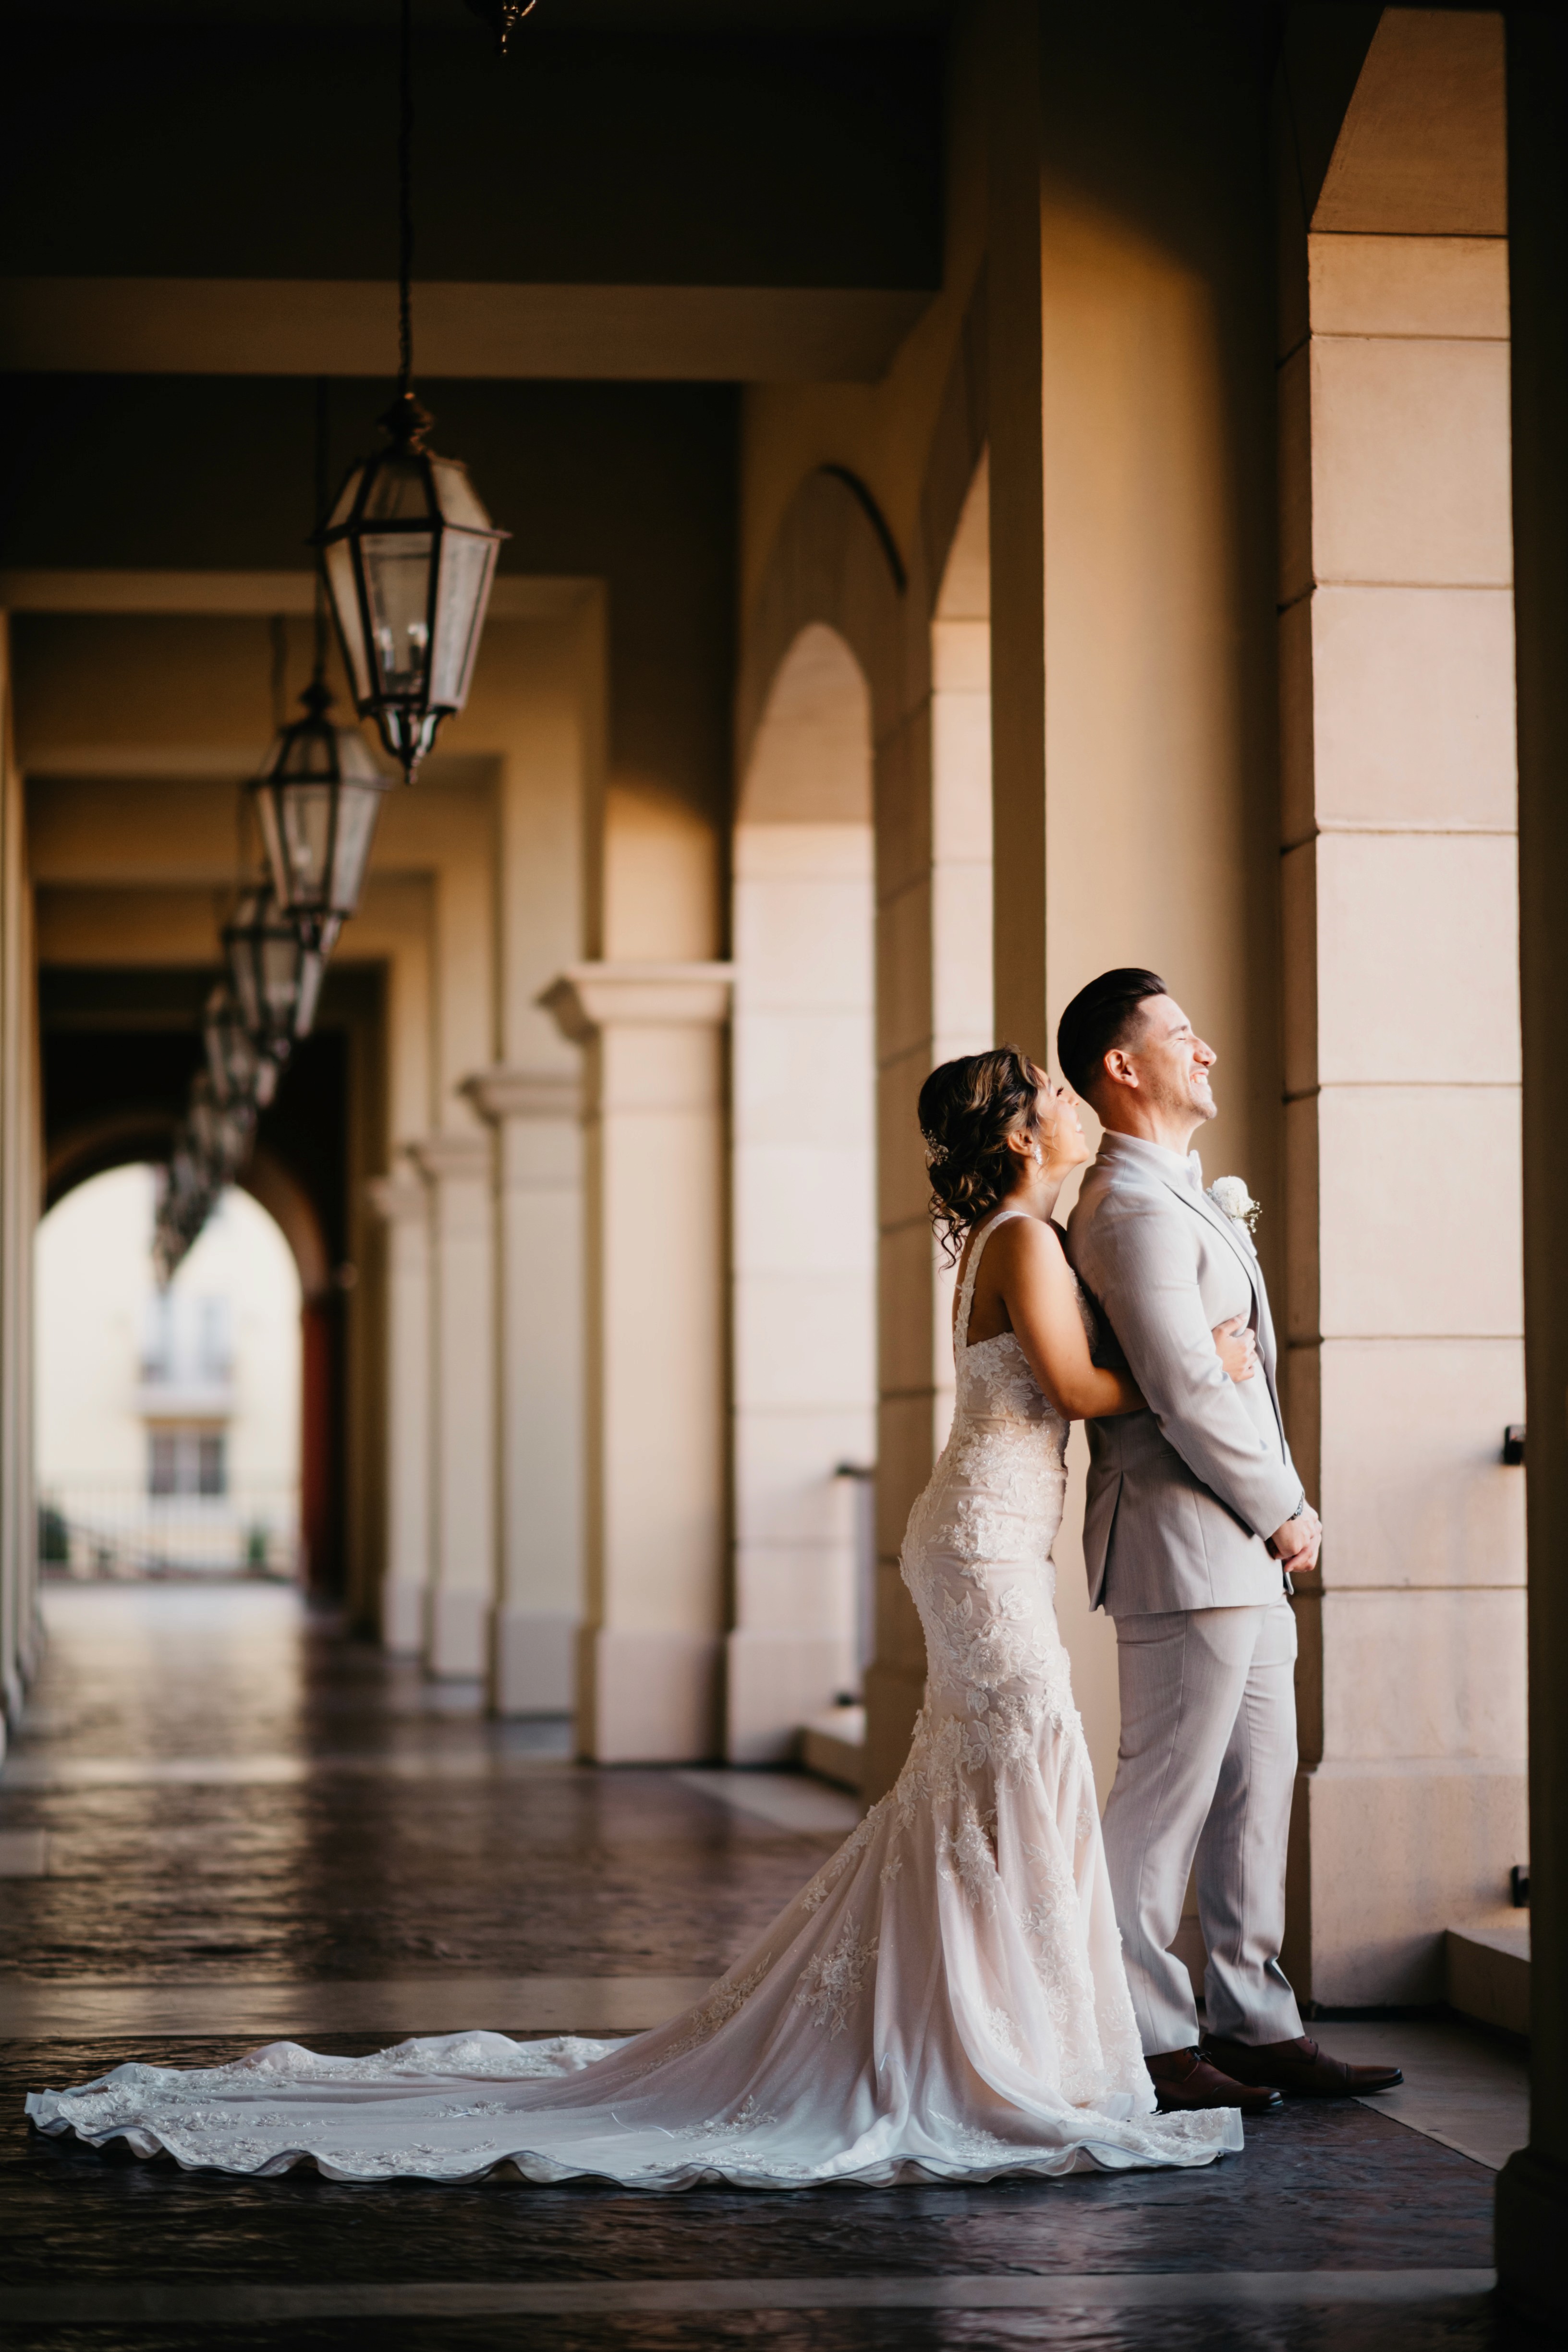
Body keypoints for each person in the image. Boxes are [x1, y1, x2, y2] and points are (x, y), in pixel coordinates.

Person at [30, 1049, 1252, 2187]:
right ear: (1020, 1131)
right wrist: (1200, 1355)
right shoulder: (1025, 1244)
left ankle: (983, 2028)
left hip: (983, 1537)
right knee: (1015, 1762)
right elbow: (1086, 1389)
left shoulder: (1018, 1235)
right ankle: (986, 2041)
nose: (1063, 1091)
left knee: (986, 1779)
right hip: (983, 1544)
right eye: (1044, 1085)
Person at [1060, 969, 1402, 2111]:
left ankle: (1251, 2021)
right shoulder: (1127, 1205)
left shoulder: (1181, 1193)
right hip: (1183, 1543)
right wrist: (1286, 1510)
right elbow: (1190, 1393)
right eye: (1180, 1036)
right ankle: (1149, 2037)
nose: (1204, 1053)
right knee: (1162, 1803)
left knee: (1257, 1791)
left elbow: (1224, 1373)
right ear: (1123, 1065)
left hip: (1236, 1550)